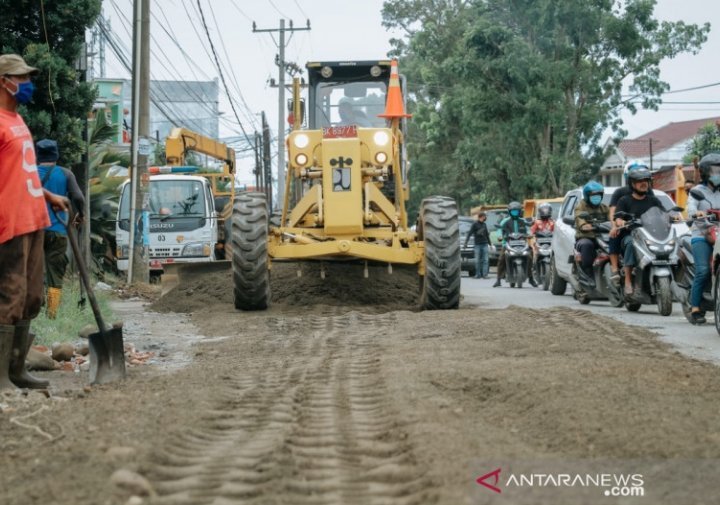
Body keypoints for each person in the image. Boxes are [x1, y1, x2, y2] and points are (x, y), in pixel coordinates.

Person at [0, 53, 69, 390]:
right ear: (4, 82)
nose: (28, 84)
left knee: (31, 299)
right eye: (22, 78)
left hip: (34, 219)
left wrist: (48, 195)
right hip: (9, 222)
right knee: (10, 297)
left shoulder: (18, 120)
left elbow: (20, 173)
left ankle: (16, 370)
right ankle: (1, 377)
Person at [36, 139, 86, 319]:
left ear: (38, 156)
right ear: (56, 155)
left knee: (32, 270)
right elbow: (78, 198)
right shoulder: (65, 174)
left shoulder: (29, 174)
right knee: (55, 273)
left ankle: (33, 311)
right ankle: (51, 314)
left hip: (33, 232)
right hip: (58, 230)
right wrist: (80, 214)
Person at [614, 168, 664, 297]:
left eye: (646, 181)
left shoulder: (653, 200)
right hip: (631, 235)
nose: (644, 184)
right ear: (632, 184)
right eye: (640, 181)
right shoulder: (624, 200)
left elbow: (664, 213)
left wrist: (673, 216)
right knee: (631, 244)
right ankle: (628, 280)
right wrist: (620, 221)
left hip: (652, 236)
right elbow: (617, 217)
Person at [684, 153, 720, 324]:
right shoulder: (696, 191)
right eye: (714, 170)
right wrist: (696, 213)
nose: (717, 174)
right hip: (702, 235)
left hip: (719, 234)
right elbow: (690, 208)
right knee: (703, 270)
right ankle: (695, 308)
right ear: (705, 172)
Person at [608, 161, 653, 283]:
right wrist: (615, 225)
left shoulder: (649, 192)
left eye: (644, 178)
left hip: (646, 229)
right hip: (627, 228)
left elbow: (658, 210)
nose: (642, 182)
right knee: (615, 234)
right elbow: (613, 211)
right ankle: (615, 268)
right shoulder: (620, 193)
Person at [493, 201, 537, 287]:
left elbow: (529, 229)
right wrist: (500, 237)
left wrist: (530, 234)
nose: (515, 213)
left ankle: (531, 278)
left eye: (516, 211)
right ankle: (498, 280)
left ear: (519, 212)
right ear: (509, 212)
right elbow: (499, 230)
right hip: (508, 243)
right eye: (513, 212)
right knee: (501, 259)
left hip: (522, 243)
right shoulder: (505, 221)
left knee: (530, 256)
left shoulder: (523, 221)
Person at [574, 181, 610, 284]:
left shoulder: (604, 208)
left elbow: (612, 219)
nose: (596, 198)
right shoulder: (581, 206)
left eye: (599, 195)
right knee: (587, 245)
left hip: (603, 237)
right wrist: (584, 225)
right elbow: (579, 219)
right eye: (593, 196)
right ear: (587, 196)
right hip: (586, 237)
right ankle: (588, 274)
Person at [464, 211, 490, 279]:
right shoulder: (475, 224)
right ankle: (478, 274)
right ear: (481, 217)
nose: (485, 218)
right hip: (477, 245)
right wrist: (466, 243)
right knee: (477, 260)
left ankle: (485, 275)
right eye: (484, 217)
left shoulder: (484, 224)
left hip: (485, 244)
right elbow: (469, 233)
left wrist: (490, 244)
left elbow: (487, 234)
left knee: (485, 260)